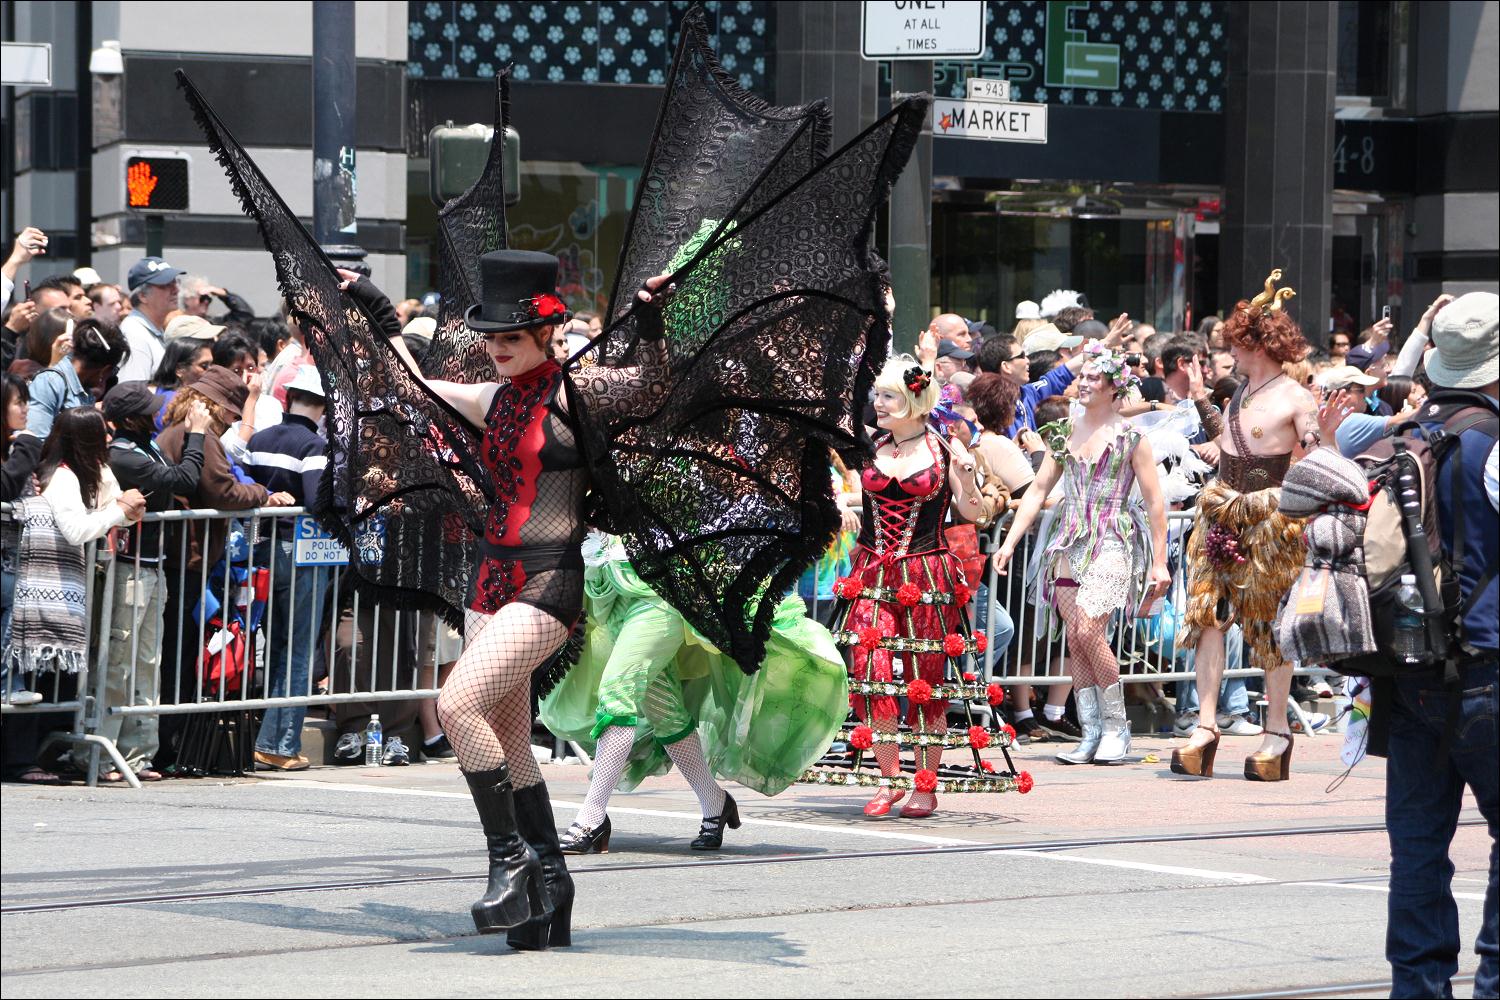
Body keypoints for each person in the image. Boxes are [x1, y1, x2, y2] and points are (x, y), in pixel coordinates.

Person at [341, 249, 674, 948]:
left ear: (547, 335)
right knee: (512, 741)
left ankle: (510, 863)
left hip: (549, 581)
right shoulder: (494, 399)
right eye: (489, 339)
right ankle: (551, 885)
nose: (495, 351)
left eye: (510, 339)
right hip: (489, 581)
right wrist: (376, 309)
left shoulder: (576, 396)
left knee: (458, 705)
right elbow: (410, 385)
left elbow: (646, 387)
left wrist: (649, 320)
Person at [1356, 291, 1498, 998]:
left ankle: (1418, 988)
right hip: (1486, 666)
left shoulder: (1403, 436)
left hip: (1406, 668)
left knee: (1416, 852)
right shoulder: (1490, 442)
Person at [541, 531, 846, 853]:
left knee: (617, 692)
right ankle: (715, 802)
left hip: (658, 592)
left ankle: (591, 818)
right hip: (611, 589)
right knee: (664, 712)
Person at [818, 354, 1021, 819]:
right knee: (869, 669)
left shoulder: (944, 451)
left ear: (914, 400)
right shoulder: (872, 445)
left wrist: (968, 476)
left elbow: (973, 514)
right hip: (871, 570)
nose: (879, 405)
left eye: (887, 397)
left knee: (923, 681)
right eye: (877, 397)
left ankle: (924, 785)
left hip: (925, 572)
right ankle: (890, 778)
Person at [1171, 270, 1316, 780]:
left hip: (1270, 521)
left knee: (1269, 625)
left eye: (1236, 341)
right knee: (1209, 617)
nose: (1228, 350)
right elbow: (1232, 444)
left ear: (1258, 344)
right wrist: (1200, 401)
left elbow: (1317, 459)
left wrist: (1330, 437)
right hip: (1220, 513)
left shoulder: (1295, 398)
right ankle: (1206, 726)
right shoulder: (1242, 392)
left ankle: (1276, 730)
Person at [994, 346, 1170, 765]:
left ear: (1114, 388)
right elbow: (1037, 490)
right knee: (1075, 636)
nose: (1085, 383)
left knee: (1089, 630)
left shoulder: (1132, 438)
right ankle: (1092, 732)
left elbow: (1155, 501)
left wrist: (1159, 562)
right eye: (1084, 376)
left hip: (1113, 540)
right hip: (1067, 541)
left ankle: (1117, 728)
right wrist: (1010, 541)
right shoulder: (1062, 434)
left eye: (1095, 377)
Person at [101, 382, 211, 782]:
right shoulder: (122, 455)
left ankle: (138, 755)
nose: (156, 415)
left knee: (148, 662)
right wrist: (196, 434)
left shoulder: (147, 447)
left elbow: (175, 478)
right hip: (126, 568)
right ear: (130, 419)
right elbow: (184, 480)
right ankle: (104, 753)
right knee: (119, 663)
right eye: (148, 411)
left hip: (154, 565)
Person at [242, 364, 331, 771]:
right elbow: (317, 500)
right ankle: (281, 743)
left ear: (288, 397)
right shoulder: (314, 445)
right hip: (301, 552)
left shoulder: (259, 439)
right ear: (324, 405)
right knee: (297, 647)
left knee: (273, 644)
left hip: (262, 549)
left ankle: (266, 739)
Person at [26, 317, 128, 439]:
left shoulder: (85, 391)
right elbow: (33, 442)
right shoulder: (49, 383)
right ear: (105, 370)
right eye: (113, 371)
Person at [116, 256, 186, 384]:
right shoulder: (135, 335)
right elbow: (132, 395)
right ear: (143, 295)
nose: (176, 289)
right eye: (165, 285)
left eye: (175, 282)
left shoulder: (149, 329)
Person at [178, 274, 255, 325]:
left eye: (209, 298)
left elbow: (246, 315)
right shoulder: (178, 322)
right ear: (187, 299)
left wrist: (224, 294)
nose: (206, 301)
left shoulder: (215, 324)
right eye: (203, 297)